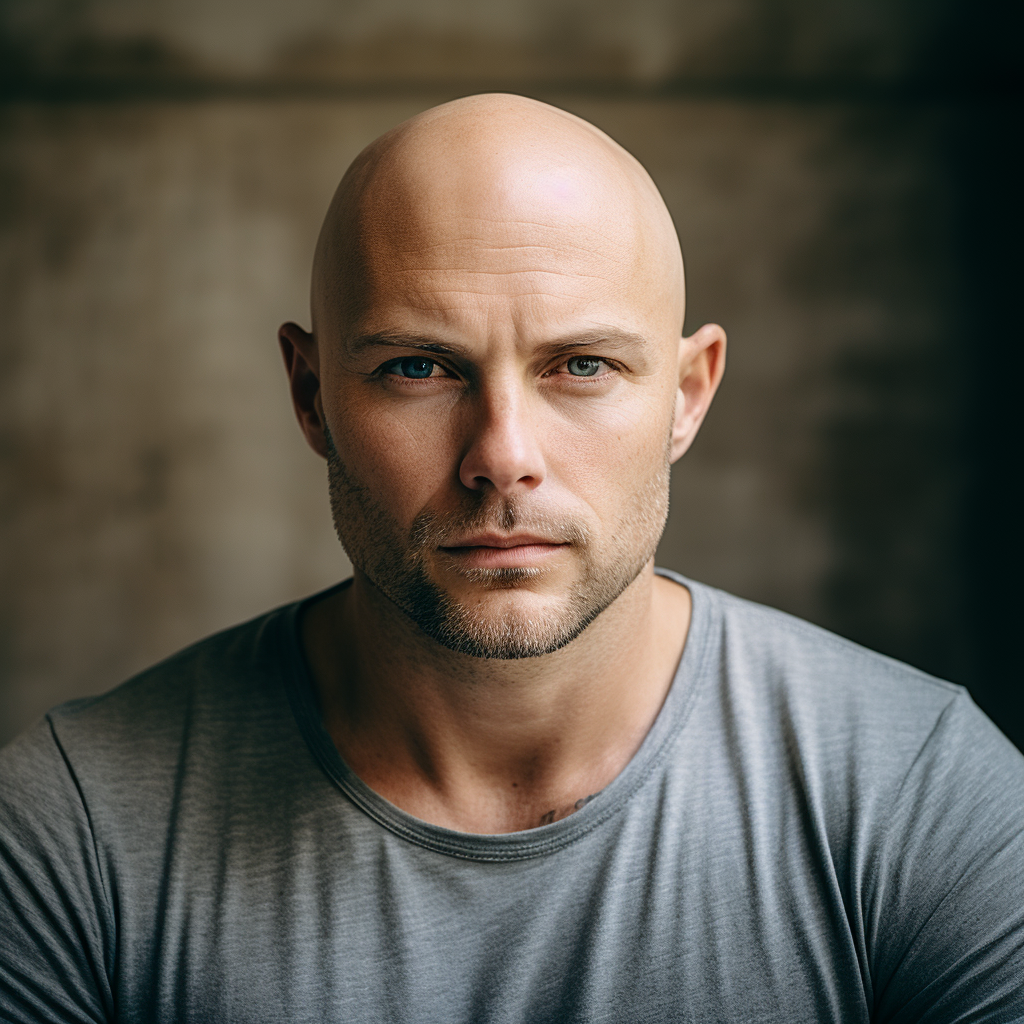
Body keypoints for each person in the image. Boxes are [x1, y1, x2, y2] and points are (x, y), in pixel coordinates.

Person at [1, 93, 1022, 1024]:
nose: (502, 458)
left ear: (686, 393)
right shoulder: (73, 833)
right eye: (417, 367)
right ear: (311, 395)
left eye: (580, 366)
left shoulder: (921, 800)